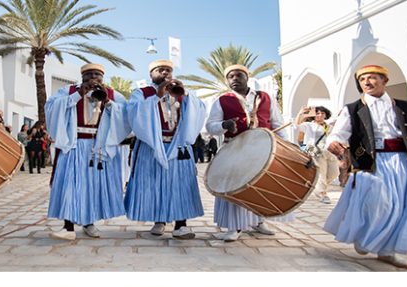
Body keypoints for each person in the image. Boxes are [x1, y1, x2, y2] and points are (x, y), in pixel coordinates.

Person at [323, 65, 407, 269]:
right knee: (376, 203)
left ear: (384, 80)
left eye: (372, 77)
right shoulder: (353, 109)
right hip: (371, 162)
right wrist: (332, 142)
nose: (366, 82)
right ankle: (365, 236)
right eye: (363, 78)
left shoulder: (406, 107)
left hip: (403, 162)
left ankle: (386, 250)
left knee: (400, 206)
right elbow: (338, 133)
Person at [122, 60, 208, 240]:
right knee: (154, 183)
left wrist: (186, 98)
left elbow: (198, 111)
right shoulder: (141, 93)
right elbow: (133, 114)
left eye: (168, 70)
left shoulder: (181, 92)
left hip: (178, 145)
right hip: (150, 146)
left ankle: (181, 225)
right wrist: (157, 96)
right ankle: (159, 219)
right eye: (160, 70)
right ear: (151, 74)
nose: (165, 73)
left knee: (180, 183)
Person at [44, 63, 129, 240]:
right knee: (71, 185)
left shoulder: (112, 93)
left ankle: (89, 222)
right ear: (82, 76)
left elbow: (126, 115)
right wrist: (78, 94)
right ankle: (68, 227)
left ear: (102, 78)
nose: (93, 78)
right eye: (89, 74)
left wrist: (108, 102)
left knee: (92, 186)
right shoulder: (69, 90)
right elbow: (51, 107)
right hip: (74, 145)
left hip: (98, 147)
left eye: (97, 75)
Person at [206, 65, 291, 241]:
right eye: (230, 76)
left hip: (262, 151)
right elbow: (210, 126)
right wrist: (224, 125)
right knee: (234, 187)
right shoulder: (222, 100)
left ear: (247, 77)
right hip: (234, 150)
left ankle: (259, 222)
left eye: (238, 75)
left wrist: (288, 146)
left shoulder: (265, 97)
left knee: (261, 186)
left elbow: (276, 122)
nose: (234, 78)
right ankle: (234, 226)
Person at [295, 105, 340, 203]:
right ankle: (322, 194)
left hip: (329, 151)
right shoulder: (309, 125)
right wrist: (301, 113)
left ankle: (316, 185)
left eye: (322, 113)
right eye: (317, 113)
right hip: (315, 151)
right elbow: (297, 125)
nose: (320, 115)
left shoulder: (329, 126)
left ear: (326, 115)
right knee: (322, 173)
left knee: (334, 173)